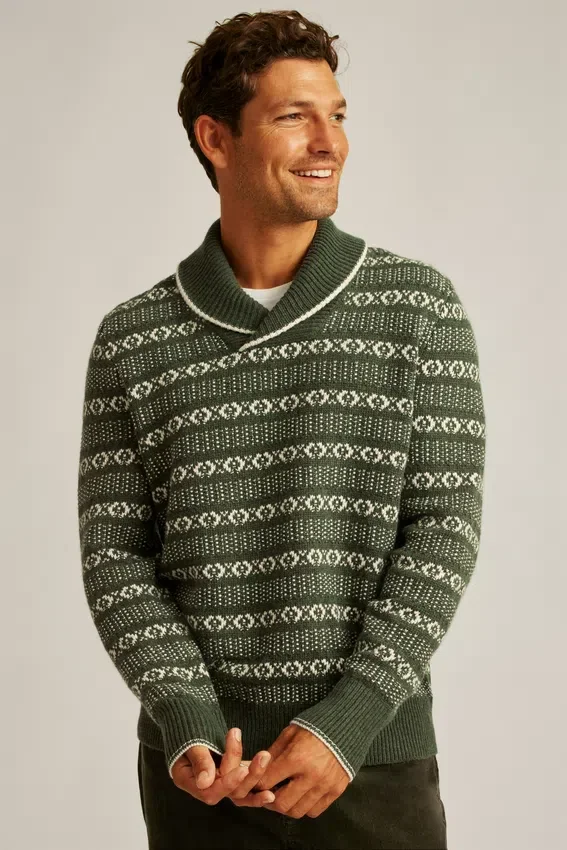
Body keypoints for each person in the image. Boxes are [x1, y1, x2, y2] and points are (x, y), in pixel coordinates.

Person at [78, 9, 486, 849]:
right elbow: (116, 555)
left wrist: (347, 722)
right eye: (294, 116)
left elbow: (441, 530)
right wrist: (185, 717)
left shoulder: (415, 307)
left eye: (336, 115)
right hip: (202, 777)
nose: (328, 142)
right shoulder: (133, 337)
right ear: (215, 139)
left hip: (371, 766)